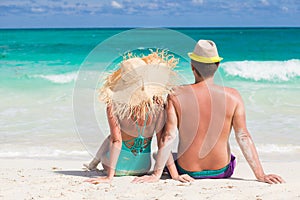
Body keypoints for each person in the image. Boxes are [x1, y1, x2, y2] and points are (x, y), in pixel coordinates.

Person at [133, 40, 285, 184]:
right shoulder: (234, 96)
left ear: (192, 66)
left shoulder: (176, 94)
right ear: (217, 65)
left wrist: (156, 174)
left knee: (159, 155)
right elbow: (243, 137)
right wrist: (261, 175)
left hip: (188, 169)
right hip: (222, 170)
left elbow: (168, 136)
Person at [84, 51, 178, 184]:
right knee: (117, 137)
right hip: (143, 168)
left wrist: (109, 177)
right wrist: (174, 175)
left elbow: (117, 141)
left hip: (117, 169)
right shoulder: (158, 106)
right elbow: (163, 142)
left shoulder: (114, 106)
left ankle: (94, 162)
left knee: (113, 137)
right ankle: (93, 162)